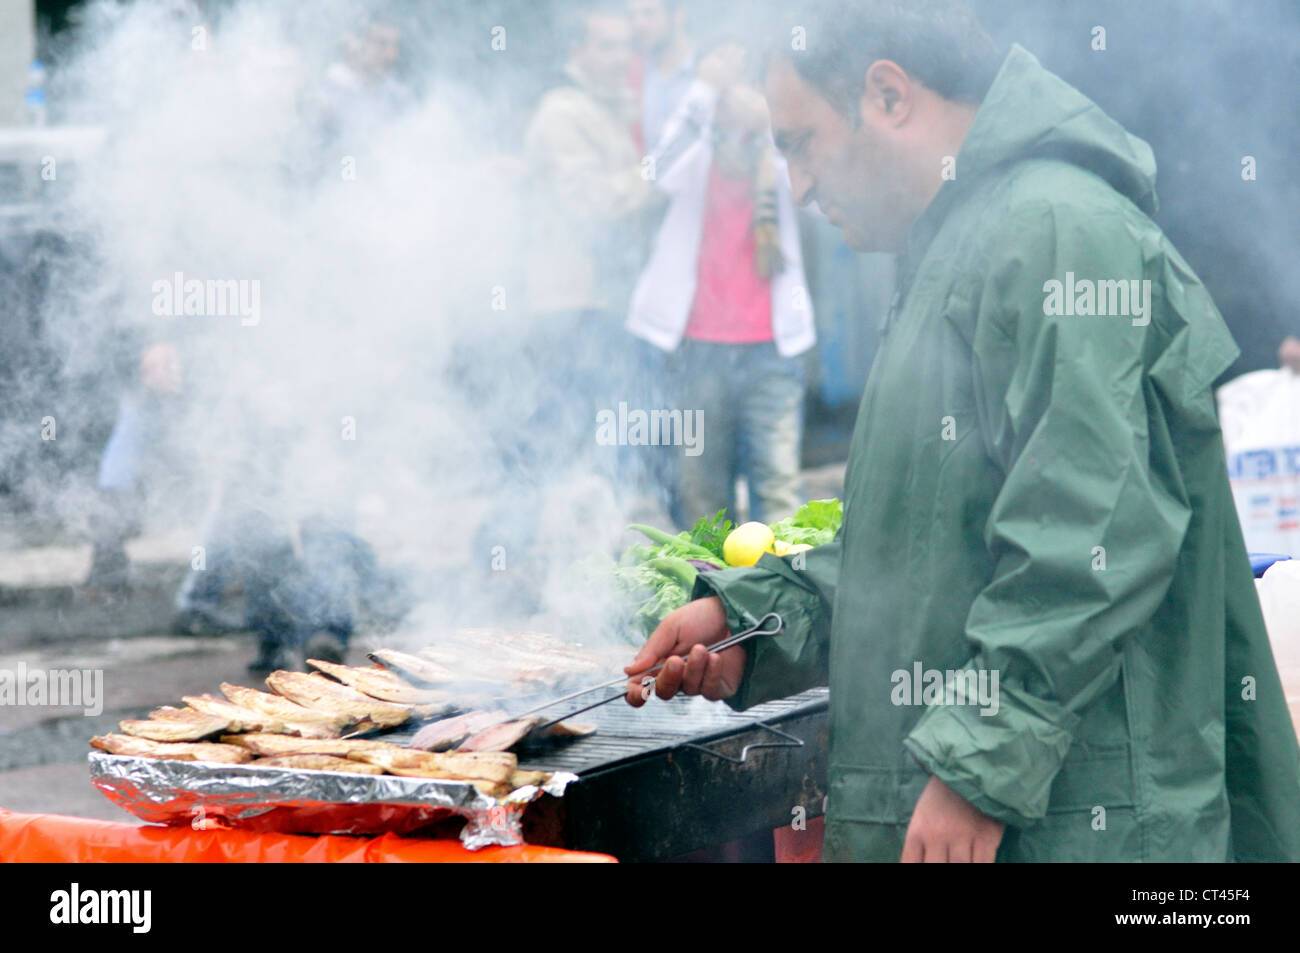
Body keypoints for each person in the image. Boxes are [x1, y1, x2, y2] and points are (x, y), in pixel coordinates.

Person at [624, 0, 1300, 862]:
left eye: (799, 144)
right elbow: (929, 556)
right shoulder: (953, 244)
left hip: (1077, 832)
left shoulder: (1056, 229)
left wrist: (979, 769)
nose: (795, 186)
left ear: (890, 95)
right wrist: (756, 620)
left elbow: (1095, 537)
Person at [626, 37, 814, 527]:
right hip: (699, 352)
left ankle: (781, 598)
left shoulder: (781, 157)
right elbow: (654, 173)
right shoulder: (694, 152)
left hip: (771, 351)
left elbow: (815, 196)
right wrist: (702, 94)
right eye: (725, 85)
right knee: (702, 498)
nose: (736, 98)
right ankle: (711, 598)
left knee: (778, 494)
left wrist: (770, 125)